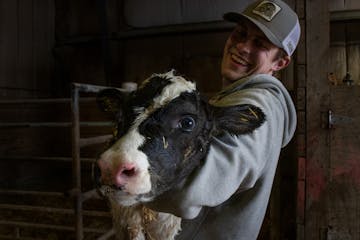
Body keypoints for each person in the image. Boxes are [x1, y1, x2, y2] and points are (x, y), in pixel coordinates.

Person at [146, 0, 300, 239]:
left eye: (259, 43)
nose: (242, 47)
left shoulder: (256, 106)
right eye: (240, 34)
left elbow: (192, 190)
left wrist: (137, 179)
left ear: (280, 63)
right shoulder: (233, 98)